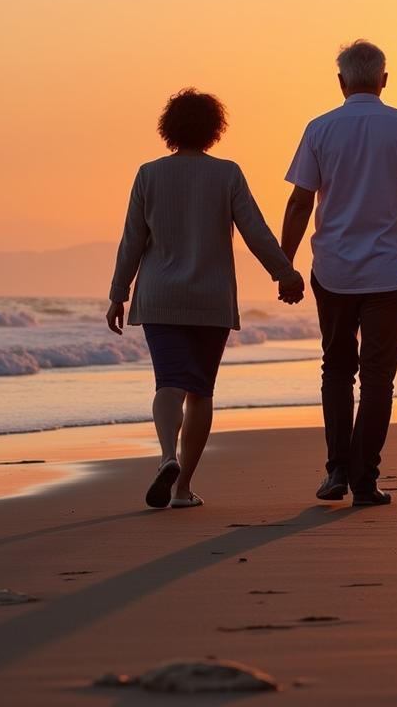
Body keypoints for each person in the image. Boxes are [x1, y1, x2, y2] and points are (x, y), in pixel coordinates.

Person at [107, 89, 305, 509]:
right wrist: (284, 274)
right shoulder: (227, 174)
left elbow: (131, 242)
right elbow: (255, 231)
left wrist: (117, 294)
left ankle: (166, 457)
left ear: (170, 128)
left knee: (168, 383)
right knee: (200, 391)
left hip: (161, 297)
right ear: (214, 130)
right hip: (210, 300)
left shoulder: (149, 174)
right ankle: (182, 490)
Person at [280, 40, 397, 507]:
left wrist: (284, 264)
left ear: (340, 83)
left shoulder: (319, 129)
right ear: (384, 80)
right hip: (388, 271)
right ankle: (364, 479)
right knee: (378, 378)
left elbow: (299, 201)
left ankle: (337, 468)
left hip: (333, 269)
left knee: (336, 368)